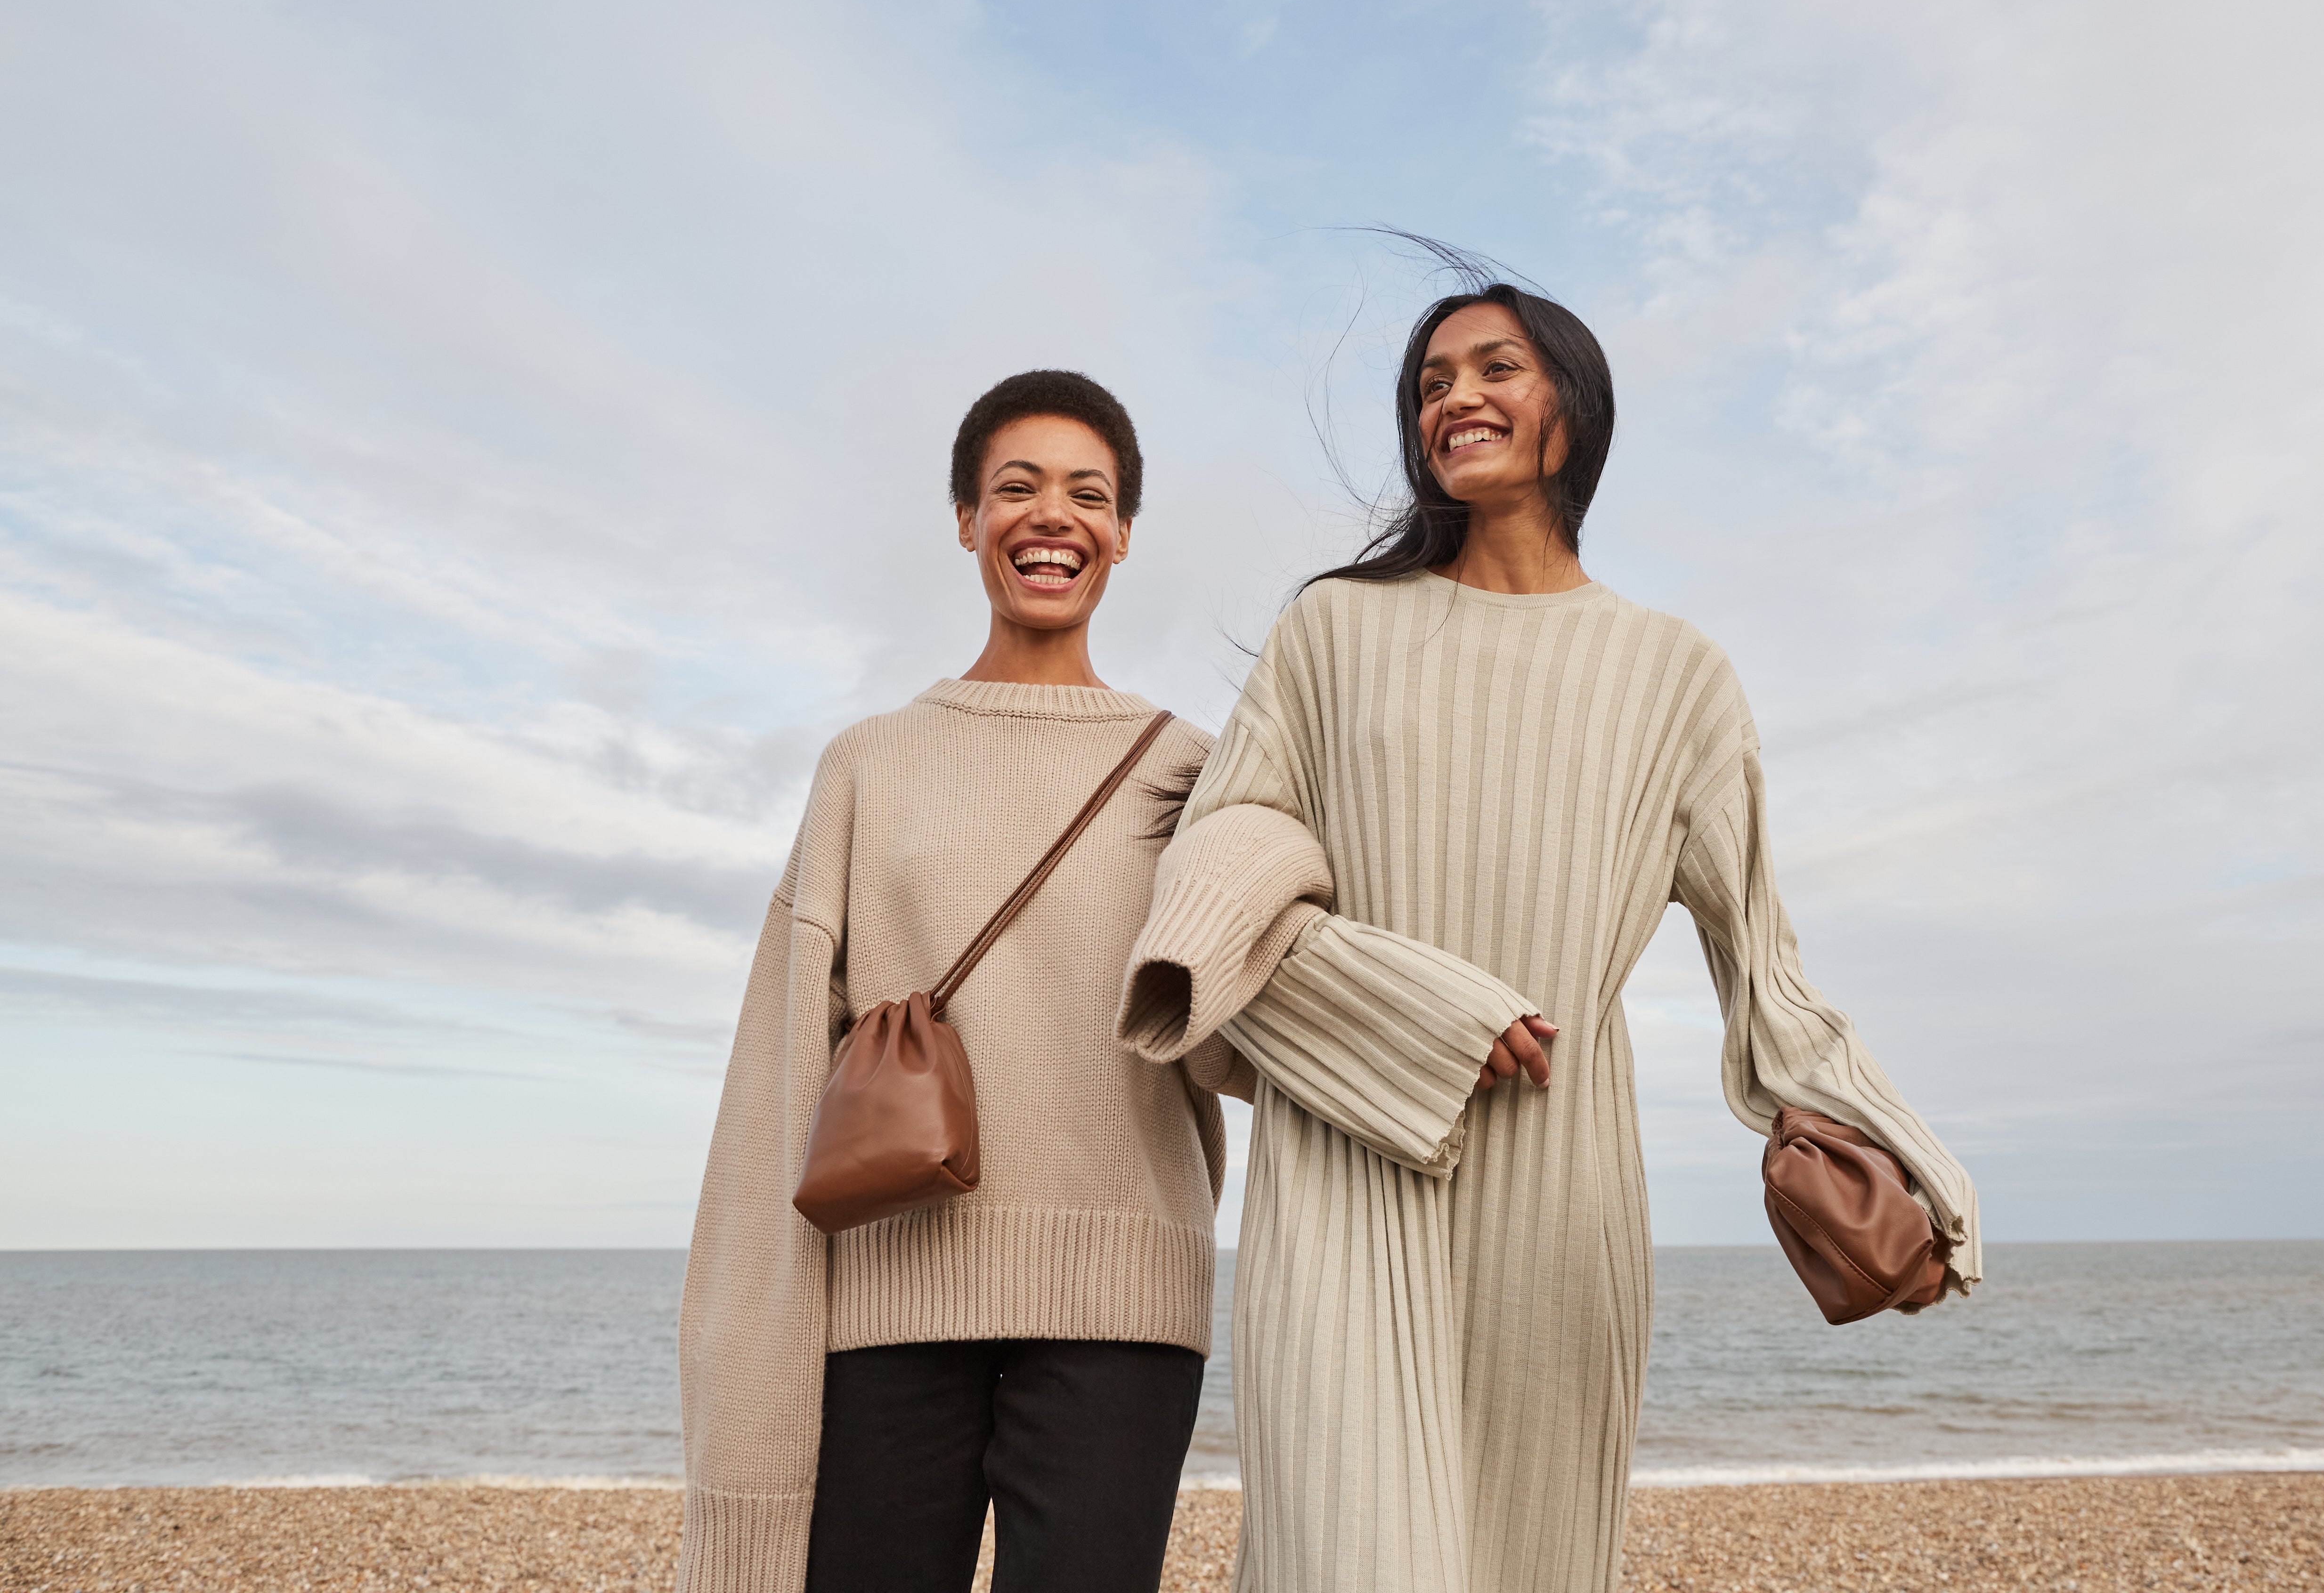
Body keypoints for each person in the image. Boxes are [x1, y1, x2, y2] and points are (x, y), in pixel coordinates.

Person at [1117, 278, 1982, 1593]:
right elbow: (1215, 888)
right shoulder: (1333, 633)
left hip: (1562, 1184)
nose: (1455, 397)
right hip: (1346, 1169)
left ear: (1569, 415)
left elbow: (1766, 973)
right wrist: (1424, 1013)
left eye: (1493, 368)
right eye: (1430, 383)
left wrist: (1927, 1190)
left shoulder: (1675, 673)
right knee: (1346, 1560)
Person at [678, 371, 1245, 1593]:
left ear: (1125, 534)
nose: (1054, 516)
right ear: (965, 518)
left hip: (1126, 1307)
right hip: (888, 1300)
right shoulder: (870, 765)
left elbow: (1247, 1026)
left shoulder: (1193, 771)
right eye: (1017, 488)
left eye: (1089, 495)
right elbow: (780, 1065)